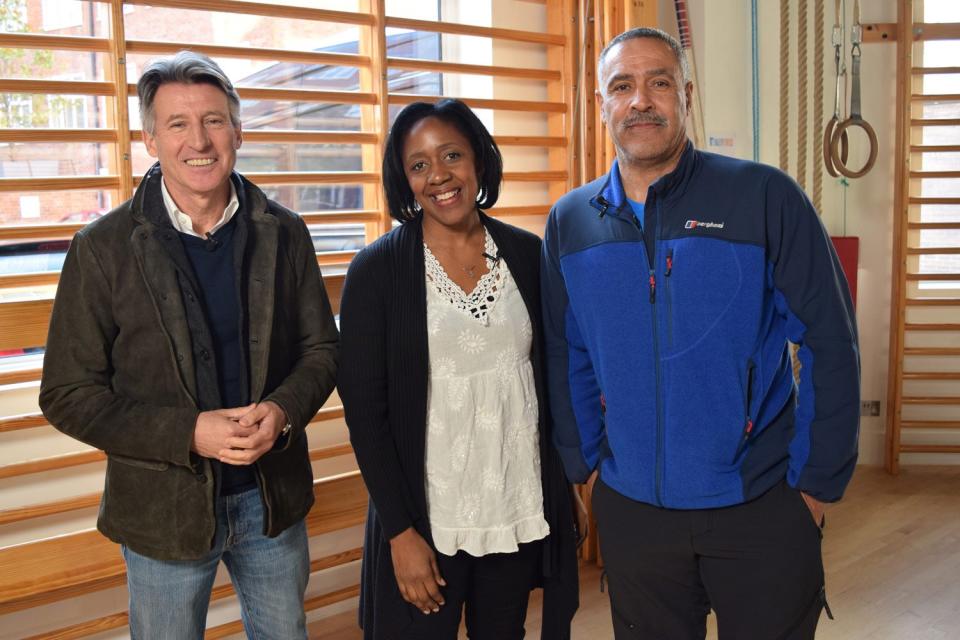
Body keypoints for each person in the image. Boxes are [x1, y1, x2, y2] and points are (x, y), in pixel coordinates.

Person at [541, 27, 860, 640]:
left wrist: (817, 481)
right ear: (603, 106)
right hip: (635, 514)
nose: (641, 100)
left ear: (685, 94)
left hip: (760, 504)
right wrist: (585, 466)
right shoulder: (570, 221)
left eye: (658, 82)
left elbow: (829, 337)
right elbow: (567, 352)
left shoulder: (764, 196)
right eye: (622, 87)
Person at [39, 51, 339, 639]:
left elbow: (322, 351)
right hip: (160, 512)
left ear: (238, 131)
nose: (198, 140)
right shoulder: (101, 248)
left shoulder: (286, 231)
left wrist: (281, 413)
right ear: (151, 138)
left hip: (271, 500)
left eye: (214, 120)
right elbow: (67, 394)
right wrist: (188, 433)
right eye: (177, 123)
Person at [338, 98, 579, 640]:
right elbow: (366, 415)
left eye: (452, 155)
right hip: (427, 524)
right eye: (419, 165)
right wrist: (400, 534)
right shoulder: (376, 271)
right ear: (404, 180)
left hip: (511, 509)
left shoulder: (526, 254)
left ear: (478, 161)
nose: (439, 176)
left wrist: (563, 492)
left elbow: (549, 385)